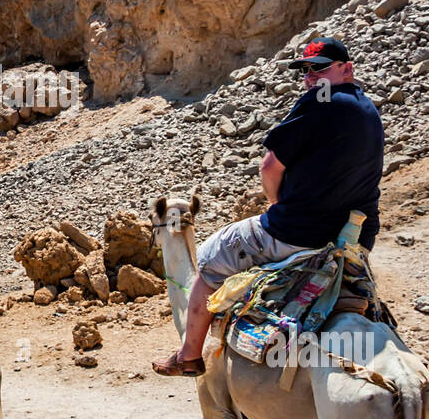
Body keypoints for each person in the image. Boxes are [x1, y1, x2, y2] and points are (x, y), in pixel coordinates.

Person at [152, 37, 384, 376]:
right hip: (355, 239)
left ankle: (188, 355)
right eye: (305, 70)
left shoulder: (319, 102)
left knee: (213, 257)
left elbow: (269, 166)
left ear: (346, 69)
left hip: (299, 231)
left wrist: (276, 204)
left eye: (318, 69)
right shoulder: (368, 110)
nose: (310, 78)